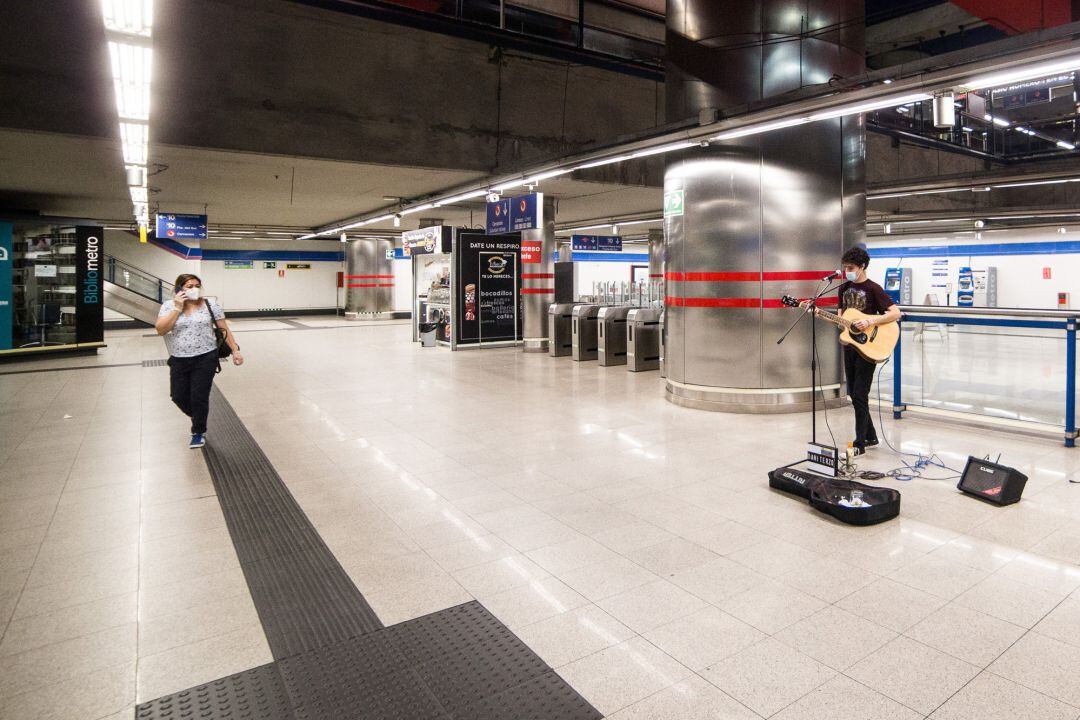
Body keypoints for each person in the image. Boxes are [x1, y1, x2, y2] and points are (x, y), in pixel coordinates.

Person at [156, 274, 243, 448]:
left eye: (197, 285)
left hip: (206, 357)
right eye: (189, 286)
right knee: (178, 396)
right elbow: (161, 330)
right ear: (179, 289)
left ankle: (198, 431)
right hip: (179, 359)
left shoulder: (210, 305)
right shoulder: (168, 306)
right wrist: (177, 308)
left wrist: (235, 350)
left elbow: (224, 329)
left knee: (199, 396)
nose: (194, 289)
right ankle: (198, 415)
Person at [837, 246, 901, 455]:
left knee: (860, 393)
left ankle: (860, 442)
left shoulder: (874, 289)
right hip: (850, 347)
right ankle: (871, 435)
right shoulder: (843, 289)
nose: (847, 271)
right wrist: (842, 323)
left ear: (862, 266)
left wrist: (870, 320)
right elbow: (841, 320)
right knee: (854, 395)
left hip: (869, 348)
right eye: (845, 267)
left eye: (851, 267)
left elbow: (895, 313)